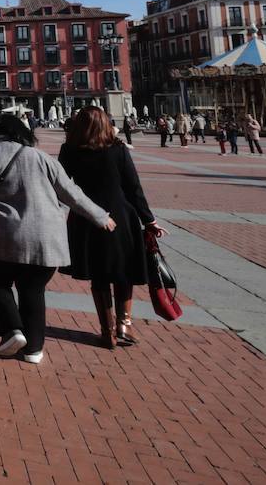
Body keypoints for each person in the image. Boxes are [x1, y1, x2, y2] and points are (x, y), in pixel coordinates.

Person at [0, 114, 115, 364]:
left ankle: (13, 330)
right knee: (33, 290)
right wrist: (101, 216)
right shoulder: (42, 158)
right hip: (47, 239)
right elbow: (71, 192)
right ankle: (34, 349)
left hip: (2, 237)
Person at [58, 106, 166, 349]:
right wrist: (149, 220)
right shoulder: (117, 150)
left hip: (86, 217)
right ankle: (124, 325)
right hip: (121, 216)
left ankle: (107, 331)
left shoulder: (69, 150)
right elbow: (133, 188)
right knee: (123, 271)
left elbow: (62, 185)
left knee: (99, 276)